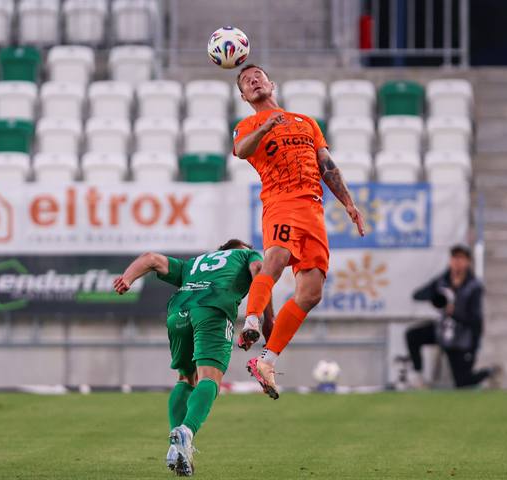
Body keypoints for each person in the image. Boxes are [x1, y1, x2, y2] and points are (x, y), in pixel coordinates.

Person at [232, 64, 366, 399]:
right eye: (246, 81)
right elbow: (241, 151)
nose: (253, 80)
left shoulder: (306, 121)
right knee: (276, 258)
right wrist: (265, 127)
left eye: (258, 76)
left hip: (313, 209)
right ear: (244, 97)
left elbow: (326, 165)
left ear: (272, 83)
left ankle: (266, 361)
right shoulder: (247, 125)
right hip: (281, 201)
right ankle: (251, 320)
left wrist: (348, 203)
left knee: (311, 292)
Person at [113, 239, 273, 477]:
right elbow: (261, 271)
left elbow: (150, 259)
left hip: (178, 313)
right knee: (210, 379)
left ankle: (176, 447)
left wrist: (127, 278)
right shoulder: (246, 256)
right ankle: (186, 431)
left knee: (186, 378)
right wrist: (261, 318)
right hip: (213, 311)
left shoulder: (195, 263)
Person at [406, 244, 500, 388]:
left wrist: (455, 313)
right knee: (412, 335)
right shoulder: (442, 280)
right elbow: (418, 294)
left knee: (462, 382)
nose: (457, 262)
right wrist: (437, 298)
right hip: (442, 331)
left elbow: (475, 319)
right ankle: (417, 373)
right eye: (454, 258)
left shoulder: (474, 286)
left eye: (461, 258)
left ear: (468, 262)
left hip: (460, 339)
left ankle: (489, 372)